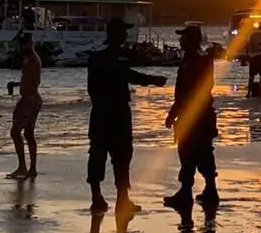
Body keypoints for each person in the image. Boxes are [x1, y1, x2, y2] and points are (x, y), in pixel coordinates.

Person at [87, 18, 167, 217]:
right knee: (119, 156)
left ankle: (101, 197)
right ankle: (117, 198)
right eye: (123, 31)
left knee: (103, 154)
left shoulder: (99, 58)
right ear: (116, 34)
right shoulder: (113, 58)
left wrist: (151, 80)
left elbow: (96, 87)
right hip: (116, 113)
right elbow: (129, 76)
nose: (125, 35)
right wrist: (152, 80)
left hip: (102, 112)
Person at [164, 24, 219, 213]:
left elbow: (184, 93)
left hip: (195, 115)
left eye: (183, 38)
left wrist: (174, 114)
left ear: (191, 40)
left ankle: (186, 193)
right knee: (203, 152)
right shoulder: (202, 60)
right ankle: (209, 190)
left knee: (188, 153)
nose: (180, 41)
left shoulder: (194, 61)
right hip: (204, 113)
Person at [6, 32, 42, 180]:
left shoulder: (32, 60)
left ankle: (23, 166)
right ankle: (31, 167)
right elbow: (30, 80)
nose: (21, 47)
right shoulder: (31, 60)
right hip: (32, 99)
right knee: (28, 134)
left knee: (15, 132)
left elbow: (34, 83)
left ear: (30, 43)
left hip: (29, 100)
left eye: (24, 44)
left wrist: (26, 98)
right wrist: (17, 84)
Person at [246, 21, 261, 98]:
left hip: (253, 57)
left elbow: (247, 43)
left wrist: (248, 54)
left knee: (251, 76)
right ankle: (260, 92)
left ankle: (249, 92)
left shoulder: (251, 34)